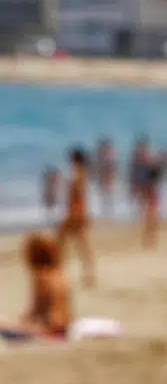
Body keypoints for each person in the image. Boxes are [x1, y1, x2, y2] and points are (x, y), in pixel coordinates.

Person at [0, 234, 72, 342]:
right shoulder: (58, 273)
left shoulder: (41, 277)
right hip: (65, 328)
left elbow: (34, 313)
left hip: (49, 331)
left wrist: (20, 323)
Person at [56, 147, 97, 287]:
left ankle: (59, 270)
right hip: (77, 211)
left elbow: (78, 195)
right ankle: (89, 273)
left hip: (75, 211)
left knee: (65, 240)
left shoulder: (79, 173)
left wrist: (77, 213)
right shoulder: (80, 173)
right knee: (80, 243)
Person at [96, 138, 117, 216]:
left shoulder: (108, 157)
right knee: (105, 196)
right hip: (104, 178)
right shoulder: (102, 157)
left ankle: (109, 211)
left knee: (108, 195)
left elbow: (112, 169)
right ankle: (106, 211)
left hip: (107, 178)